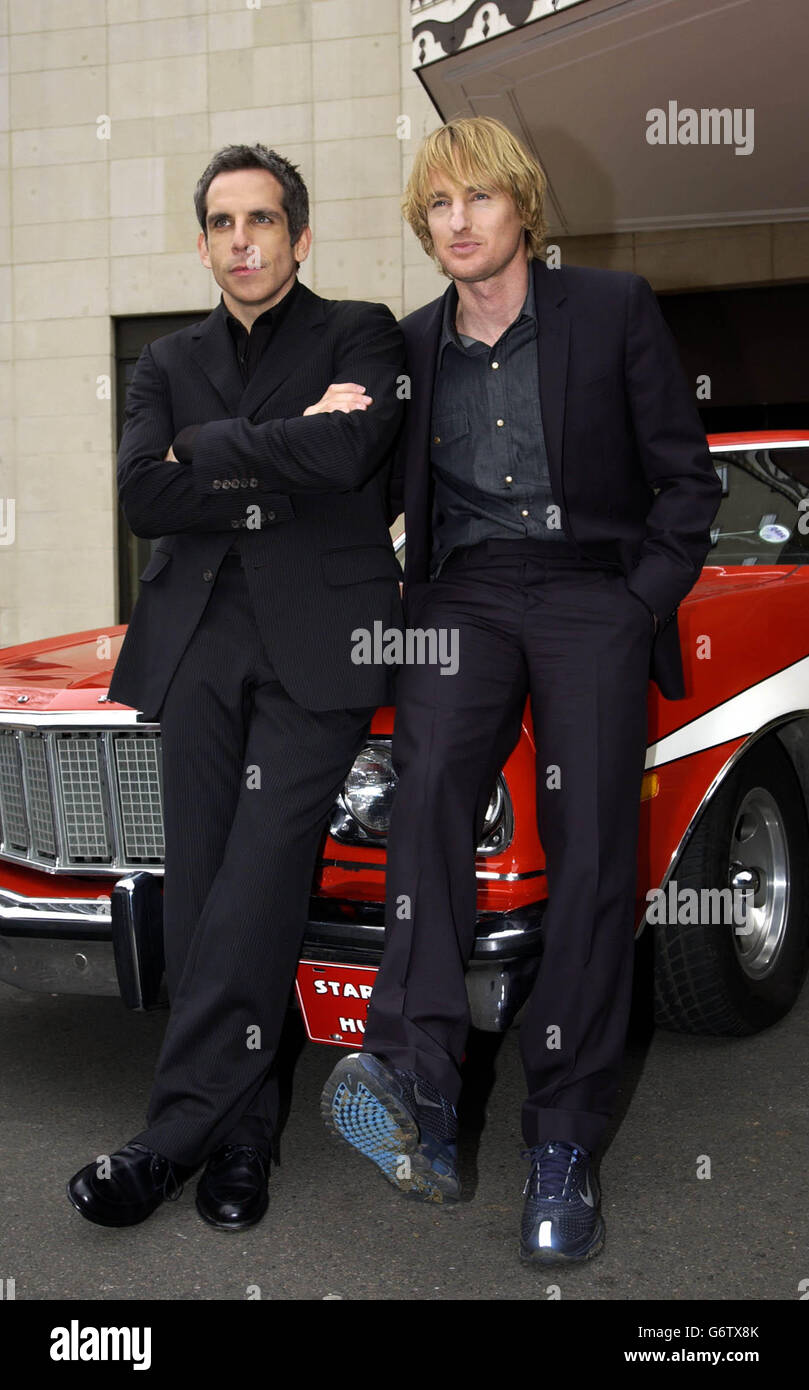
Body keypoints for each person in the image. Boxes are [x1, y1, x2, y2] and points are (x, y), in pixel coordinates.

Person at [321, 116, 722, 1263]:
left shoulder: (609, 308)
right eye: (437, 206)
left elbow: (683, 482)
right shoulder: (404, 345)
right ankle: (419, 1088)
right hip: (462, 595)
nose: (456, 222)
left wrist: (636, 602)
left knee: (592, 846)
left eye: (477, 200)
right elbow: (364, 489)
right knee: (429, 785)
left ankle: (562, 1135)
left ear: (521, 210)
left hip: (590, 585)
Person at [66, 143, 405, 1231]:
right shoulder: (164, 362)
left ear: (299, 237)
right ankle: (243, 1140)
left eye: (263, 220)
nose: (243, 239)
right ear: (205, 239)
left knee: (257, 886)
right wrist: (281, 443)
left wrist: (205, 453)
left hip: (321, 649)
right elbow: (139, 498)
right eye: (222, 222)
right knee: (210, 891)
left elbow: (352, 457)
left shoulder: (361, 330)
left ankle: (165, 1139)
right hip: (199, 645)